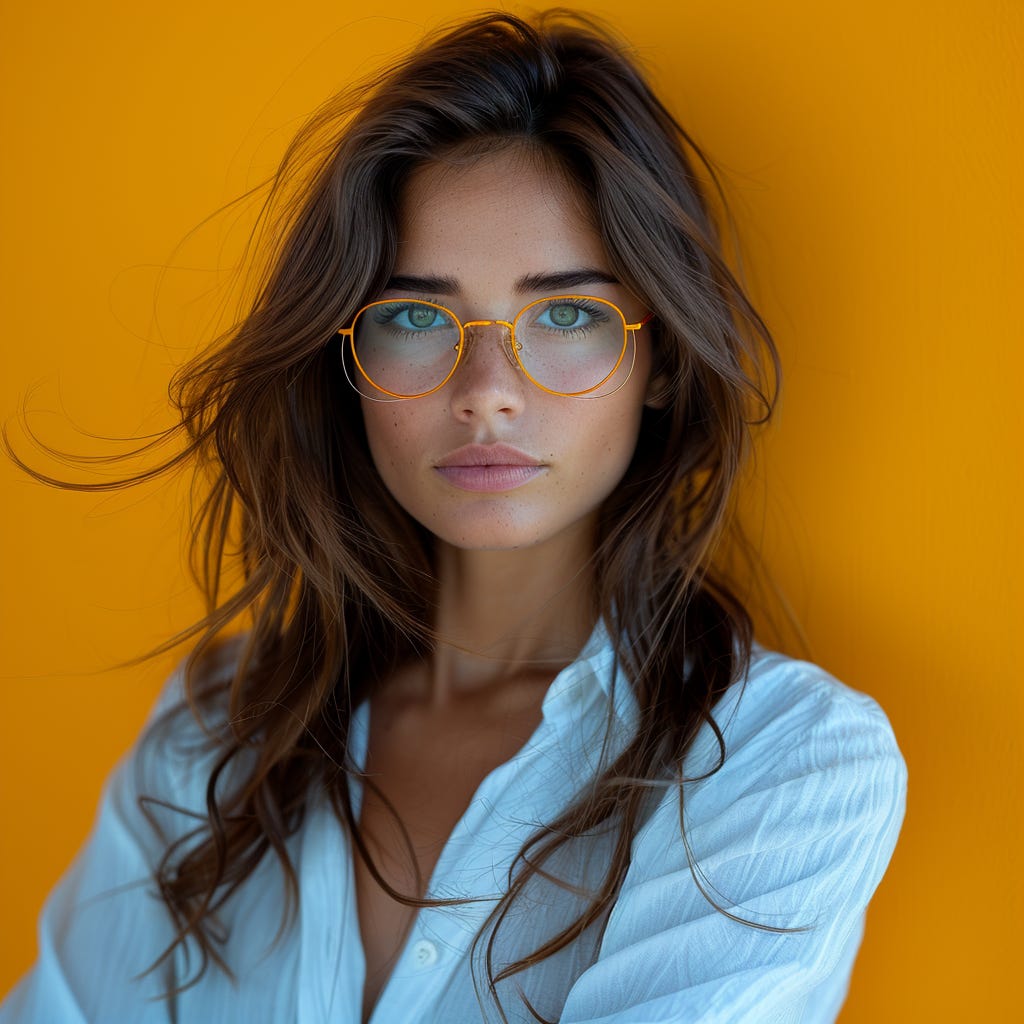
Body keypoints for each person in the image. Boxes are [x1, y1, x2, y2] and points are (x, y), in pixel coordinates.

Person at [0, 10, 907, 1024]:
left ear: (659, 362)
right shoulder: (218, 728)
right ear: (348, 362)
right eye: (414, 317)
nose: (487, 391)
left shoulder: (784, 759)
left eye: (566, 314)